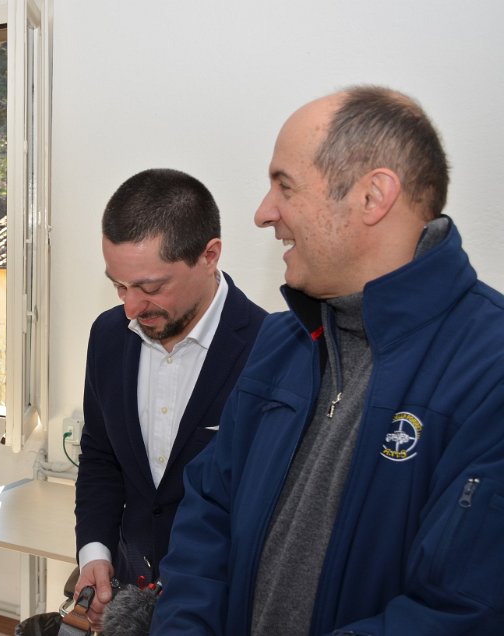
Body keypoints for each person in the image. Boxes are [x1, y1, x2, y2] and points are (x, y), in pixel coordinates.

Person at [151, 86, 504, 635]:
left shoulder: (489, 367)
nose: (264, 213)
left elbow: (461, 611)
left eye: (285, 185)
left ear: (372, 196)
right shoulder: (281, 340)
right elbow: (209, 515)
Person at [73, 168, 267, 628]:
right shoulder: (108, 336)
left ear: (209, 256)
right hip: (128, 599)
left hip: (222, 608)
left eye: (151, 287)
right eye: (119, 285)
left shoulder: (271, 350)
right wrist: (95, 552)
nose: (131, 307)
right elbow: (101, 456)